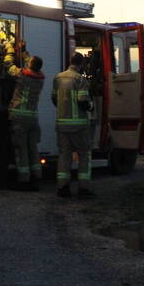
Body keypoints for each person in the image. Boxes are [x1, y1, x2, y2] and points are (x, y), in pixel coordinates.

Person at [1, 40, 45, 191]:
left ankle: (23, 180)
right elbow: (29, 63)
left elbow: (8, 66)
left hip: (19, 118)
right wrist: (25, 51)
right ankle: (36, 177)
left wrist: (9, 50)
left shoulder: (22, 75)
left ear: (31, 65)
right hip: (33, 119)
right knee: (33, 148)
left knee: (22, 150)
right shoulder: (40, 78)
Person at [52, 53, 95, 198]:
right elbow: (82, 101)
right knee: (84, 155)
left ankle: (63, 188)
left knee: (64, 155)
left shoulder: (58, 78)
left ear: (70, 62)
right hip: (79, 126)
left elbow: (54, 99)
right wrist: (90, 106)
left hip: (62, 125)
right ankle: (83, 189)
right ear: (81, 64)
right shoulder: (80, 79)